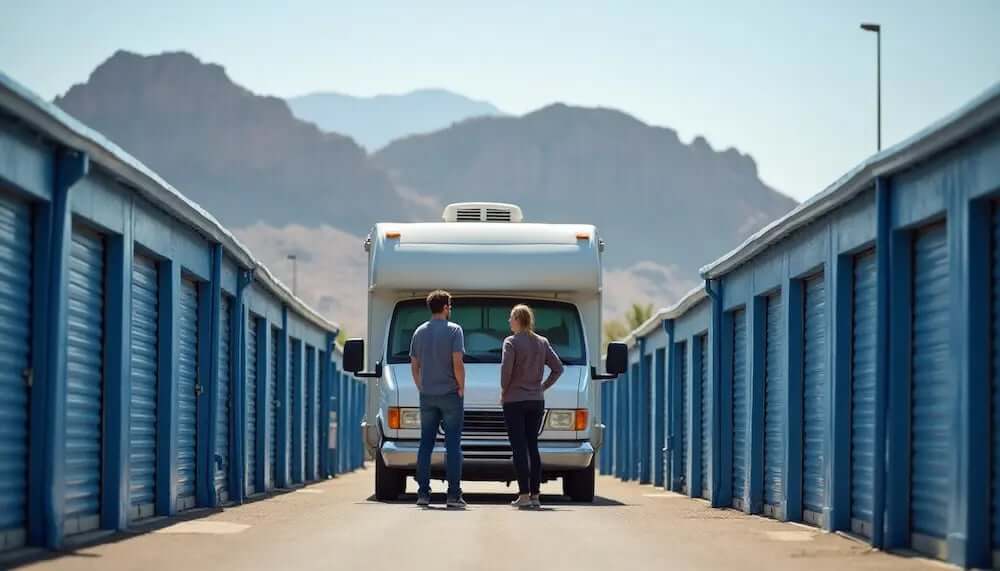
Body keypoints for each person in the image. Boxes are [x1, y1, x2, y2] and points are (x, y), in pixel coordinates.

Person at [500, 304, 564, 509]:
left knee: (519, 448)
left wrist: (504, 391)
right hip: (536, 401)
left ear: (518, 320)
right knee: (532, 446)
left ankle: (524, 494)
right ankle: (536, 495)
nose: (509, 321)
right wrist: (542, 387)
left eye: (511, 317)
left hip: (514, 401)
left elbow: (506, 372)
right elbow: (558, 368)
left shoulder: (510, 342)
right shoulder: (542, 342)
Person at [409, 290, 467, 508]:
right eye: (449, 306)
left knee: (425, 444)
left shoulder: (419, 331)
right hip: (450, 394)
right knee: (452, 445)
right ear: (444, 307)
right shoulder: (454, 330)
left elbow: (414, 365)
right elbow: (457, 363)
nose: (450, 309)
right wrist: (461, 387)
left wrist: (421, 386)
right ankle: (453, 495)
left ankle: (423, 494)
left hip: (427, 395)